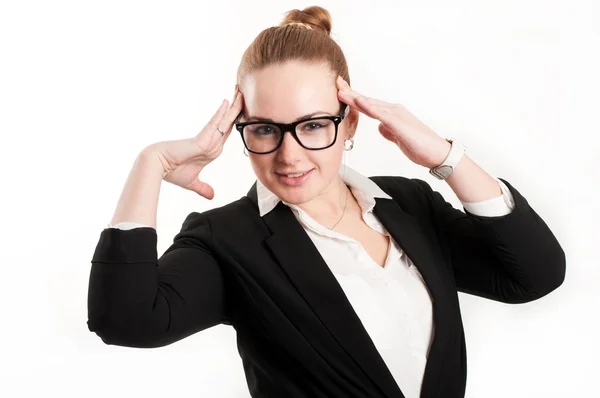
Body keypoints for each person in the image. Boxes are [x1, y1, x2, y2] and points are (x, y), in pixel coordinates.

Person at [87, 6, 566, 398]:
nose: (289, 154)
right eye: (264, 129)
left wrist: (443, 156)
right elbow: (125, 321)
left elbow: (533, 276)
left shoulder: (408, 204)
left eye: (314, 125)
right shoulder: (225, 241)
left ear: (350, 124)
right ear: (242, 129)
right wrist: (150, 163)